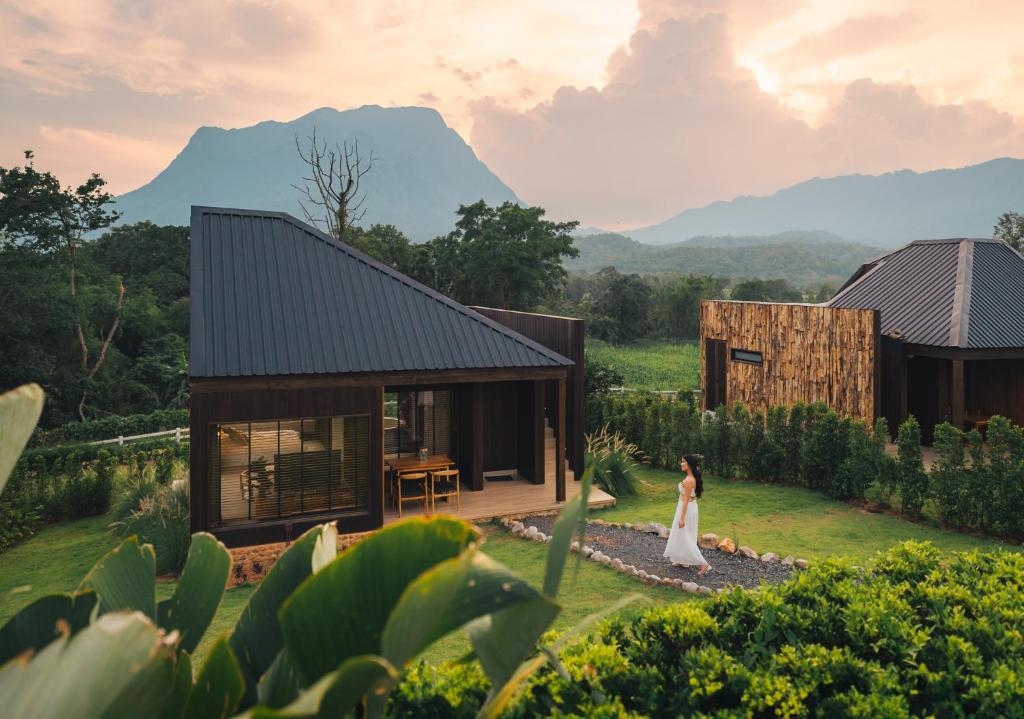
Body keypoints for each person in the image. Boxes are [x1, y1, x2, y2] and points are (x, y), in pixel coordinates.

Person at [663, 454, 711, 575]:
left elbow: (685, 501)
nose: (681, 464)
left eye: (684, 462)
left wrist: (682, 518)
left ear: (689, 464)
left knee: (686, 536)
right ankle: (682, 560)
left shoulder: (688, 481)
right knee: (684, 534)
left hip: (687, 509)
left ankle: (703, 564)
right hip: (690, 507)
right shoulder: (691, 478)